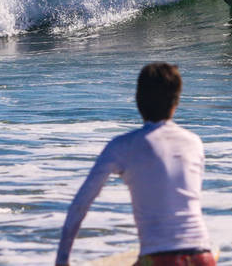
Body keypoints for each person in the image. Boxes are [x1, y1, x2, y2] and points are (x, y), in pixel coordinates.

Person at [55, 63, 215, 266]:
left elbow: (80, 205)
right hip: (202, 256)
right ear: (176, 102)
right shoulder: (194, 143)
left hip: (158, 259)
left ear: (138, 99)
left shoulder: (122, 145)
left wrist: (62, 261)